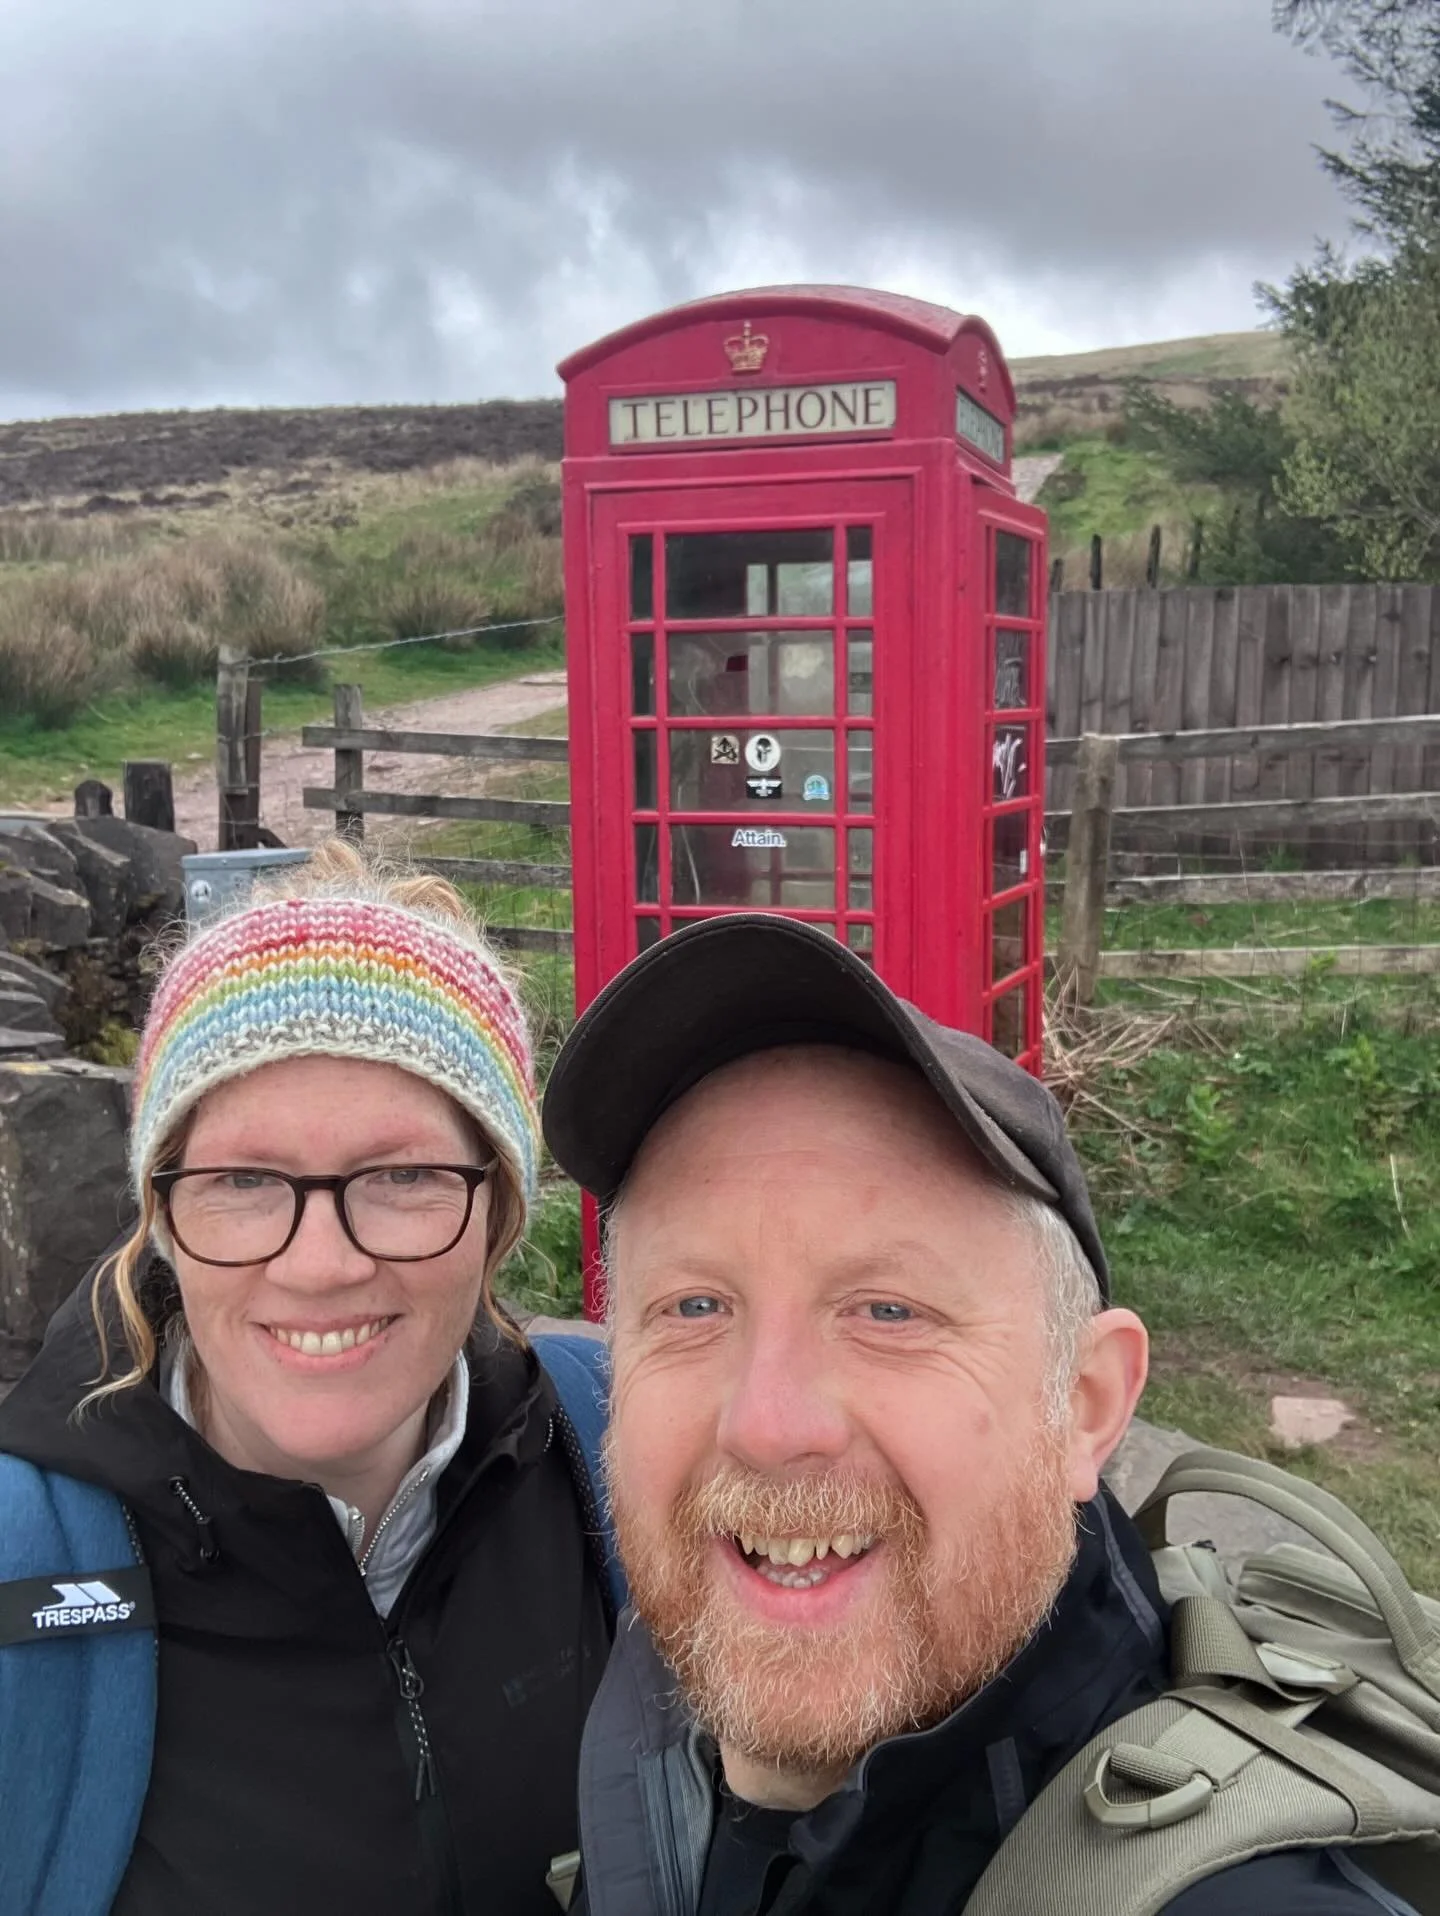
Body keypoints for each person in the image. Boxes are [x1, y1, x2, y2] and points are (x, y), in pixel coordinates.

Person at [541, 913, 1406, 1916]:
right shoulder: (654, 1682)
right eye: (694, 1307)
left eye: (888, 1310)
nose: (766, 1421)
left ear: (1084, 1405)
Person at [0, 841, 611, 1916]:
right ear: (162, 1214)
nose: (321, 1263)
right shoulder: (22, 1559)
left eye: (405, 1175)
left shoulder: (619, 1457)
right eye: (242, 1178)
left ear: (500, 1214)